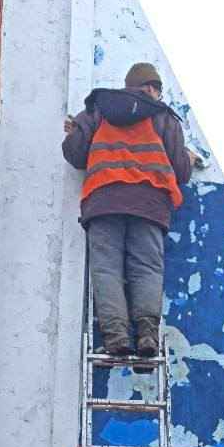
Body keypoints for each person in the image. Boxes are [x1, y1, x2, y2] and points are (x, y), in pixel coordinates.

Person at [62, 64, 198, 358]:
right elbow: (181, 171)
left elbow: (75, 155)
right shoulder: (163, 116)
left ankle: (116, 336)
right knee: (146, 268)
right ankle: (147, 335)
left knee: (107, 268)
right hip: (149, 205)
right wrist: (188, 157)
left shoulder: (98, 109)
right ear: (152, 88)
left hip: (104, 201)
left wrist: (74, 132)